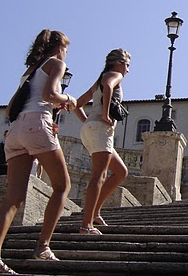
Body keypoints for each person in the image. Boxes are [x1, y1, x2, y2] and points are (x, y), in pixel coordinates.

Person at [0, 29, 76, 274]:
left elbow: (14, 105)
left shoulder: (30, 71)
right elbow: (49, 94)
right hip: (36, 124)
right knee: (62, 186)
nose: (66, 54)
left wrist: (51, 108)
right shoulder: (56, 63)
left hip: (15, 131)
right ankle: (43, 247)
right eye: (66, 49)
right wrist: (68, 99)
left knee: (13, 198)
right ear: (60, 48)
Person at [74, 48, 132, 235]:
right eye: (127, 65)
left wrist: (88, 122)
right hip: (101, 129)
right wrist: (105, 115)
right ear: (119, 63)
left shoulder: (100, 78)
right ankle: (86, 225)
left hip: (92, 128)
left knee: (120, 171)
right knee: (99, 175)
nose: (128, 70)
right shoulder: (114, 75)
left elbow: (77, 104)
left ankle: (95, 212)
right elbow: (108, 86)